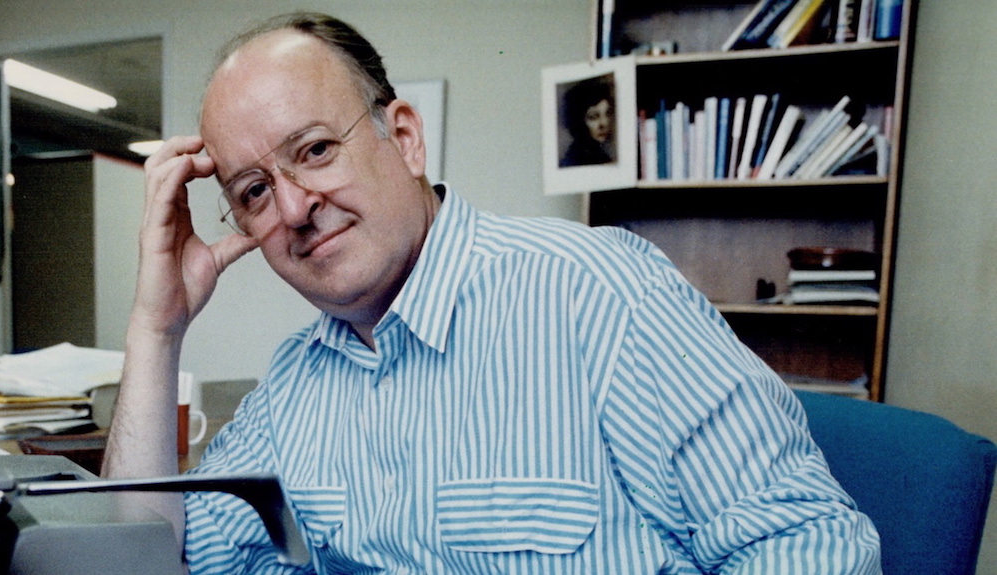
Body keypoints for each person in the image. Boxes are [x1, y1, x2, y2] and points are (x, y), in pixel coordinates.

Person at [102, 11, 881, 574]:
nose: (296, 206)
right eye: (254, 191)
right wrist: (156, 326)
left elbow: (808, 548)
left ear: (403, 137)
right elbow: (142, 560)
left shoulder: (599, 295)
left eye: (314, 149)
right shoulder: (294, 387)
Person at [559, 76, 615, 167]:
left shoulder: (600, 154)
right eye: (593, 117)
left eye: (607, 113)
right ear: (579, 121)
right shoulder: (575, 159)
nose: (604, 123)